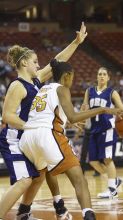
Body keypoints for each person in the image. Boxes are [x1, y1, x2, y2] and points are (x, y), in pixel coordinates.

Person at [0, 22, 87, 220]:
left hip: (27, 138)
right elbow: (7, 116)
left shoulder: (36, 80)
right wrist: (29, 125)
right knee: (24, 181)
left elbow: (56, 62)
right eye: (35, 62)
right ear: (24, 64)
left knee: (38, 175)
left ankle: (23, 213)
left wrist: (76, 42)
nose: (39, 65)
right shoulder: (17, 86)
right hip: (13, 139)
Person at [19, 59, 123, 220]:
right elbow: (73, 117)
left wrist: (68, 121)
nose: (73, 80)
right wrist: (102, 109)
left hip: (28, 138)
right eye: (72, 76)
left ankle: (25, 212)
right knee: (79, 179)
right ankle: (88, 216)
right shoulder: (62, 89)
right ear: (67, 75)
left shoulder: (43, 88)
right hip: (47, 135)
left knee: (43, 173)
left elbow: (51, 113)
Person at [82, 67, 123, 199]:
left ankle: (112, 190)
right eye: (99, 74)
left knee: (107, 159)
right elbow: (85, 108)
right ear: (97, 77)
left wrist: (104, 110)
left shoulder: (111, 92)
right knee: (93, 162)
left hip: (107, 129)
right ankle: (115, 181)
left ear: (108, 78)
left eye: (104, 74)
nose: (101, 76)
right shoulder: (89, 91)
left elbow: (122, 110)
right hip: (94, 130)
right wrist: (81, 118)